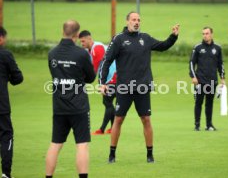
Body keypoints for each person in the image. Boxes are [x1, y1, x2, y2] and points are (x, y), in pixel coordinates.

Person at [99, 11, 179, 163]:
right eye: (134, 20)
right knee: (118, 119)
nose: (136, 22)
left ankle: (150, 155)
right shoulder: (118, 39)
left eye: (139, 20)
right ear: (127, 21)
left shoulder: (146, 38)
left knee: (146, 119)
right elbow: (106, 60)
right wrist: (103, 82)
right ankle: (112, 155)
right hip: (124, 88)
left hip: (142, 87)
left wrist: (173, 36)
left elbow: (162, 46)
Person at [45, 20, 96, 178]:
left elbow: (55, 76)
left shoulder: (52, 53)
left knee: (55, 144)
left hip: (59, 106)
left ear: (63, 31)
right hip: (79, 107)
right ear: (76, 34)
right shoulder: (81, 54)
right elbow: (91, 77)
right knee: (82, 145)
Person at [79, 30, 117, 135]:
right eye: (80, 42)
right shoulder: (91, 50)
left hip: (113, 78)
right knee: (108, 103)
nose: (82, 44)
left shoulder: (97, 48)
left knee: (107, 102)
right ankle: (112, 128)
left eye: (83, 41)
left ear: (89, 39)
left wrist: (100, 84)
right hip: (111, 78)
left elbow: (99, 68)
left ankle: (102, 129)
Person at [189, 26, 225, 131]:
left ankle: (209, 125)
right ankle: (197, 125)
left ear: (211, 34)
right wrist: (193, 77)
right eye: (203, 34)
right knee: (198, 103)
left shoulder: (217, 48)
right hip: (200, 81)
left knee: (209, 103)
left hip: (212, 81)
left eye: (207, 33)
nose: (205, 35)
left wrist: (222, 77)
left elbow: (220, 64)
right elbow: (192, 63)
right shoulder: (198, 47)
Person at [0, 27, 23, 178]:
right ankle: (6, 173)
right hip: (1, 105)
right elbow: (18, 78)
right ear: (1, 38)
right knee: (6, 135)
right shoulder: (5, 55)